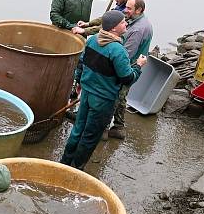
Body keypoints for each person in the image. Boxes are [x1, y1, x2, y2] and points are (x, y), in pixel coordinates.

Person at [60, 11, 147, 170]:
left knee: (78, 129)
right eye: (122, 23)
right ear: (114, 28)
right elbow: (127, 78)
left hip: (86, 93)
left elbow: (81, 64)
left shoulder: (92, 40)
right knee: (90, 136)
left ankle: (64, 163)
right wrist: (139, 66)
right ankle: (76, 169)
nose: (126, 24)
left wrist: (79, 82)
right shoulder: (117, 50)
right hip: (103, 100)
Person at [108, 0, 154, 140]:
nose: (125, 10)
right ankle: (118, 127)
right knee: (121, 96)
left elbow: (126, 54)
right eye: (126, 6)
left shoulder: (138, 29)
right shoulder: (138, 22)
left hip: (129, 67)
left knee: (116, 96)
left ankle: (109, 128)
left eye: (129, 8)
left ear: (139, 10)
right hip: (132, 65)